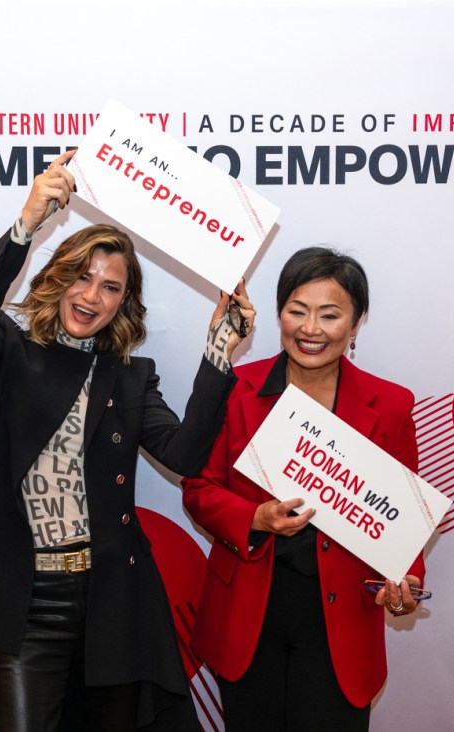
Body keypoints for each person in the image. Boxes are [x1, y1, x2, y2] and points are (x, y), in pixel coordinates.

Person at [0, 148, 255, 732]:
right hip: (21, 599)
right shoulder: (11, 350)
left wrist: (219, 351)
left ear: (123, 304)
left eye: (110, 287)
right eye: (82, 277)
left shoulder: (131, 378)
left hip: (110, 602)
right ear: (58, 278)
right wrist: (25, 224)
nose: (91, 296)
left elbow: (186, 455)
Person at [181, 247, 427, 731]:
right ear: (279, 316)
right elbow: (198, 488)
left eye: (330, 315)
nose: (310, 328)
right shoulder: (234, 389)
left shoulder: (391, 406)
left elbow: (401, 521)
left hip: (341, 619)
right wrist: (254, 518)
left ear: (355, 326)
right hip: (250, 613)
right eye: (297, 311)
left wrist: (407, 579)